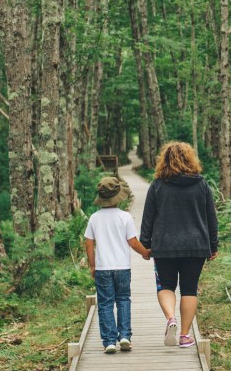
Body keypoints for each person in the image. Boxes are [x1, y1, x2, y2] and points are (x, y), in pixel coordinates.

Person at [140, 142, 218, 348]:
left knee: (166, 285)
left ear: (163, 160)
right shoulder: (202, 185)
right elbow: (211, 218)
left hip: (165, 246)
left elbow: (148, 218)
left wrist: (145, 245)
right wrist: (213, 245)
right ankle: (184, 335)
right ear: (191, 159)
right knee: (189, 290)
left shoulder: (157, 185)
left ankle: (170, 319)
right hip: (196, 246)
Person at [84, 176, 151, 354]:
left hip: (103, 268)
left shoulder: (94, 218)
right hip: (122, 267)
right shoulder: (125, 217)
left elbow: (89, 243)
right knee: (123, 300)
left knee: (105, 303)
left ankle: (109, 341)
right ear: (118, 197)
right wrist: (145, 253)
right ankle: (125, 337)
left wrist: (92, 265)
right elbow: (133, 241)